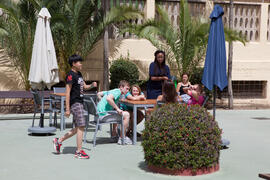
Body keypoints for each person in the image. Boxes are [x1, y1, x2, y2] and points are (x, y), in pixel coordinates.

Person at [53, 54, 97, 159]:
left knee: (78, 128)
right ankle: (79, 152)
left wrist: (91, 85)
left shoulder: (79, 74)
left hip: (80, 103)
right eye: (79, 62)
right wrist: (67, 109)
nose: (81, 64)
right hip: (75, 103)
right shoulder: (70, 75)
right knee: (81, 126)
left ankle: (58, 141)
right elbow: (67, 92)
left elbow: (84, 86)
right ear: (73, 64)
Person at [97, 80, 132, 145]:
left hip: (99, 114)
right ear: (121, 87)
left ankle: (114, 135)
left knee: (116, 113)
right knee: (127, 114)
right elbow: (108, 99)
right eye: (126, 89)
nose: (127, 91)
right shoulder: (118, 92)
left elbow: (98, 94)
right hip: (104, 116)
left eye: (128, 89)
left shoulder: (112, 91)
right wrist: (118, 109)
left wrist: (101, 101)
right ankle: (122, 138)